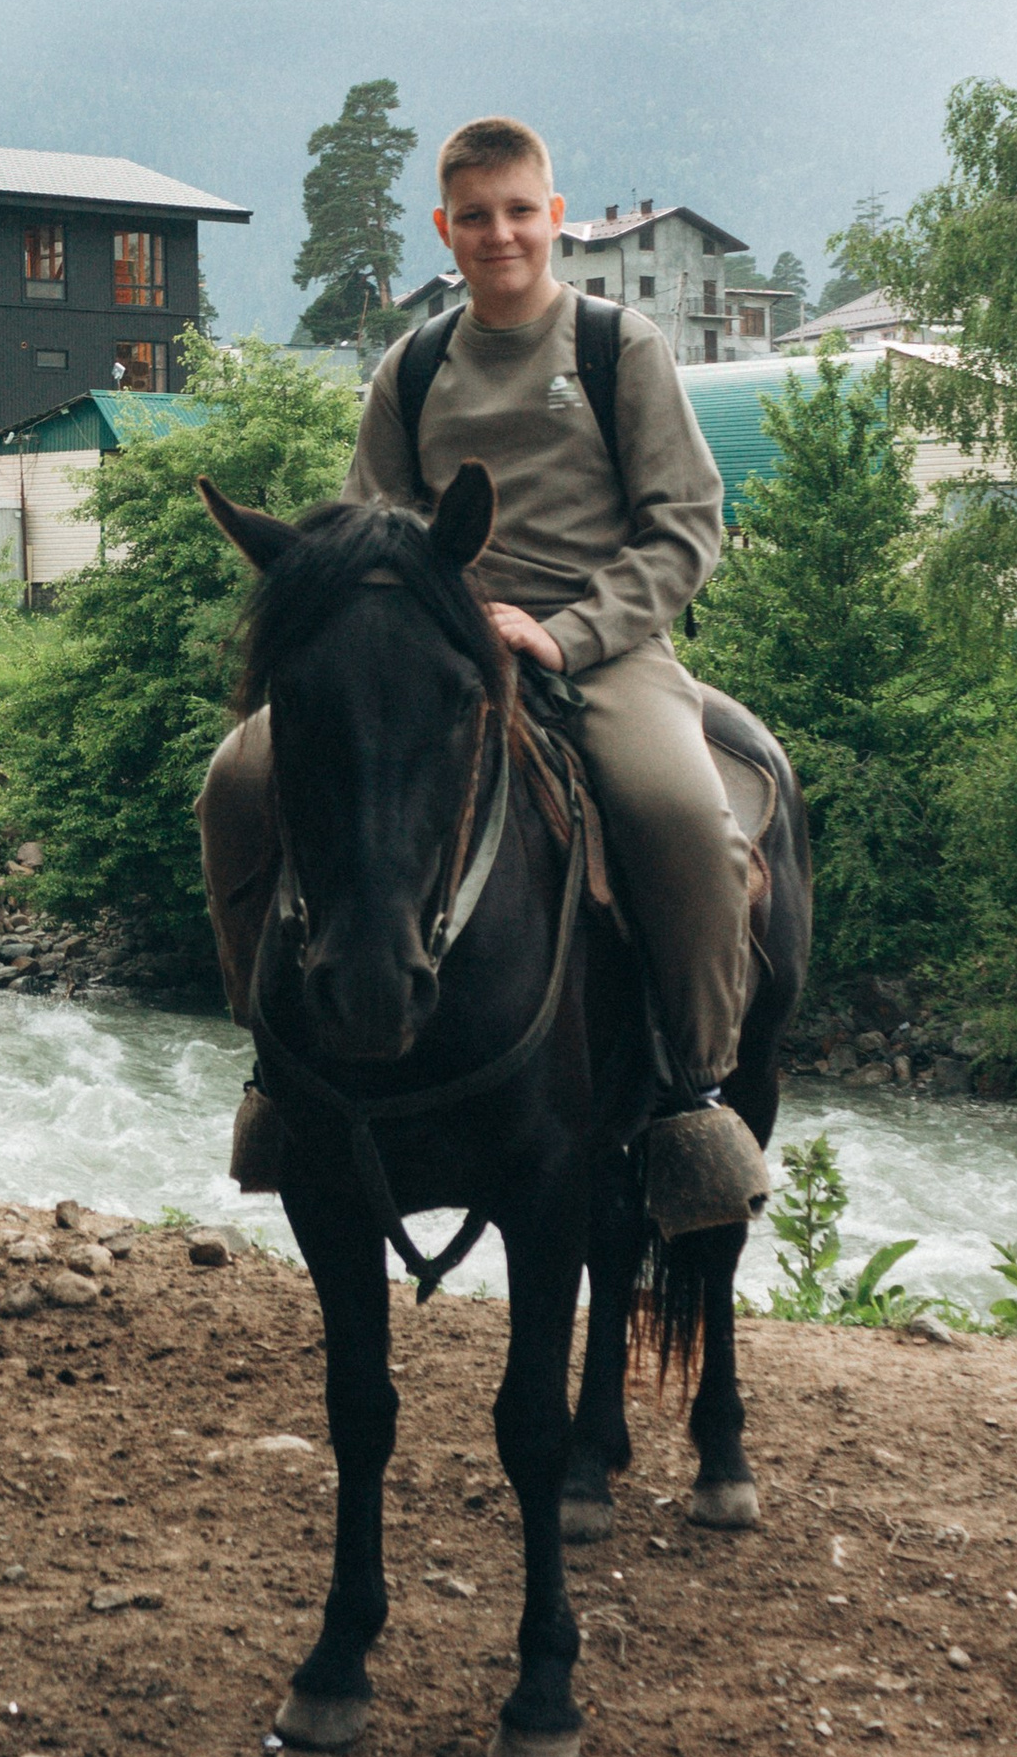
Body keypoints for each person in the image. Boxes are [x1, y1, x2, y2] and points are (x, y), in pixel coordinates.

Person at [204, 111, 769, 1233]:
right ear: (444, 229)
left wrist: (568, 632)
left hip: (598, 648)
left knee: (678, 814)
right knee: (230, 784)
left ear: (553, 218)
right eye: (474, 217)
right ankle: (273, 1064)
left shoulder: (619, 349)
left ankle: (692, 1096)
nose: (498, 234)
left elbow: (685, 524)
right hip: (434, 654)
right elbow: (374, 538)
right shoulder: (411, 366)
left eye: (519, 212)